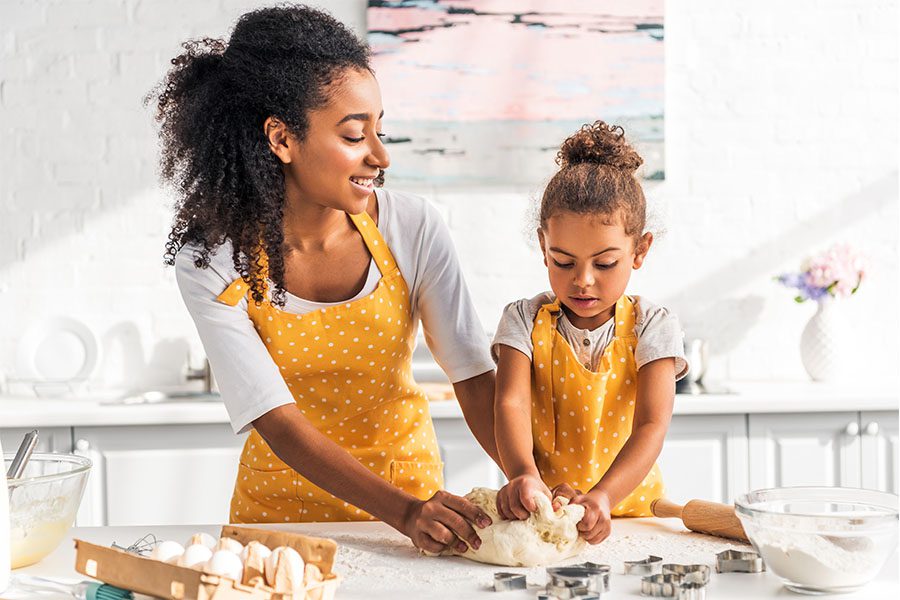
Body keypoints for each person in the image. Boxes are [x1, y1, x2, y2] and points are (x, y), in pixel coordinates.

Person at [148, 5, 498, 555]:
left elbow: (473, 375)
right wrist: (402, 511)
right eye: (356, 135)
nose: (380, 156)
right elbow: (277, 419)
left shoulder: (413, 227)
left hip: (418, 526)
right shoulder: (211, 262)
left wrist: (529, 476)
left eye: (381, 130)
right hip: (280, 529)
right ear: (282, 139)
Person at [491, 121, 688, 545]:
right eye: (563, 262)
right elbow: (510, 402)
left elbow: (652, 423)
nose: (582, 280)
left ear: (640, 250)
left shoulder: (653, 326)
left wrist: (603, 497)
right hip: (543, 517)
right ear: (543, 245)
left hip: (631, 519)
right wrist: (522, 474)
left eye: (604, 264)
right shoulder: (523, 321)